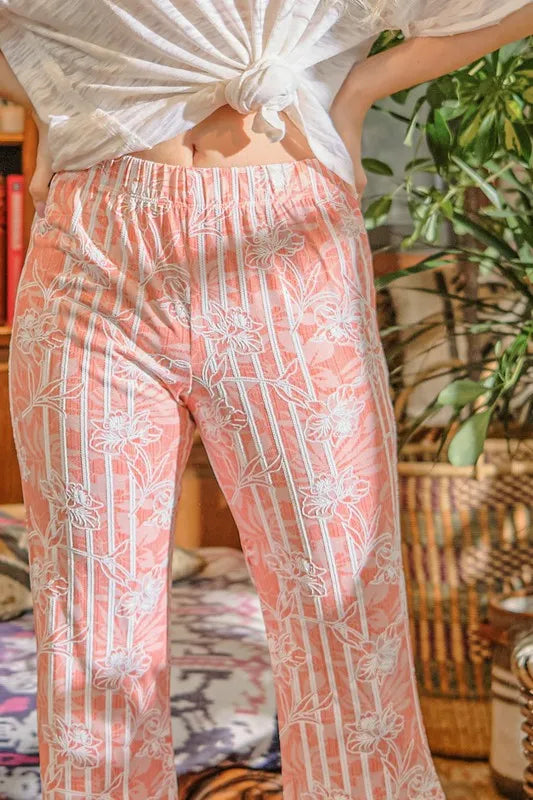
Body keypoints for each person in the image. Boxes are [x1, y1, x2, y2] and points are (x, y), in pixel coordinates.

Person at [1, 2, 532, 798]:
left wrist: (359, 89)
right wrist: (53, 89)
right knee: (92, 634)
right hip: (93, 254)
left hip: (288, 244)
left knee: (340, 612)